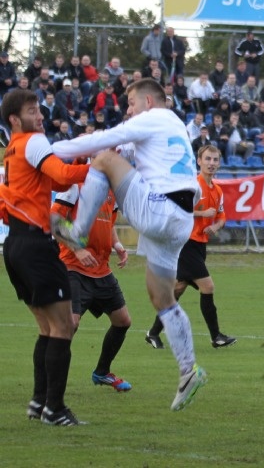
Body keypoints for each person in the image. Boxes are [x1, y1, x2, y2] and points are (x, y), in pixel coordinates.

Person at [50, 78, 207, 411]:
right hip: (179, 221)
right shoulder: (171, 125)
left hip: (160, 209)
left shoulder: (152, 117)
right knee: (160, 295)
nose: (128, 112)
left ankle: (77, 231)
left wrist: (47, 153)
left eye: (131, 105)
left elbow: (106, 144)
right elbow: (128, 149)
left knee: (103, 159)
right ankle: (188, 369)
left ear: (149, 101)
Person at [0, 89, 91, 425]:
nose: (40, 116)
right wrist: (99, 165)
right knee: (63, 327)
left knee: (47, 328)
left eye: (38, 109)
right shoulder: (32, 141)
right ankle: (55, 408)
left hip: (16, 246)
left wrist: (81, 162)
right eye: (32, 110)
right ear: (15, 119)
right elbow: (63, 177)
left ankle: (39, 403)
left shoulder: (10, 151)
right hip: (36, 247)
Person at [146, 145, 237, 351]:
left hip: (199, 246)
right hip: (185, 242)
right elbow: (176, 210)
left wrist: (214, 225)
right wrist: (202, 215)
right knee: (208, 286)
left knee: (177, 290)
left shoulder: (218, 190)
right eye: (208, 159)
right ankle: (216, 337)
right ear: (199, 161)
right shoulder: (192, 186)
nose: (211, 163)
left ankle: (152, 333)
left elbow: (222, 215)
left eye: (215, 160)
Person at [52, 183, 132, 393]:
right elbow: (54, 221)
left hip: (100, 269)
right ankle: (50, 388)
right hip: (72, 267)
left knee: (122, 321)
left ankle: (102, 372)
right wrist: (77, 250)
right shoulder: (74, 186)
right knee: (70, 324)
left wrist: (117, 246)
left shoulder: (112, 190)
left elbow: (109, 223)